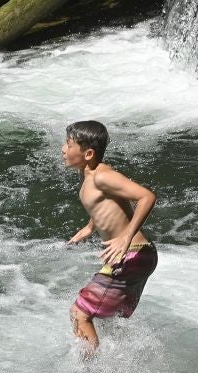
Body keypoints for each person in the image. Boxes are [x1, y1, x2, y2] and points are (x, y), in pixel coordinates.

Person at [61, 120, 158, 351]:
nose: (63, 149)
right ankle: (124, 365)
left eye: (69, 144)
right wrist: (89, 227)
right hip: (139, 257)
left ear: (89, 153)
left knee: (79, 313)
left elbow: (147, 197)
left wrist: (126, 238)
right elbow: (104, 204)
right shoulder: (89, 175)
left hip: (133, 255)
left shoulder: (102, 177)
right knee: (113, 319)